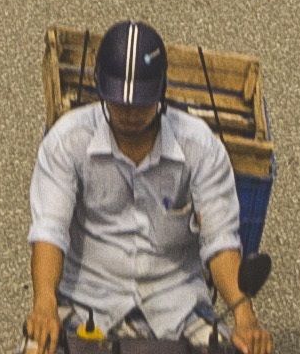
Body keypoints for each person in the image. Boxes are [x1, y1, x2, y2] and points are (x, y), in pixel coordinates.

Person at [26, 21, 265, 354]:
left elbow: (220, 239)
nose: (129, 115)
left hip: (177, 304)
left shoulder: (201, 148)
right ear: (100, 90)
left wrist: (244, 315)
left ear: (161, 91)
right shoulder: (66, 142)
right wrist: (44, 304)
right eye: (119, 104)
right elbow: (49, 231)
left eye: (141, 104)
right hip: (87, 301)